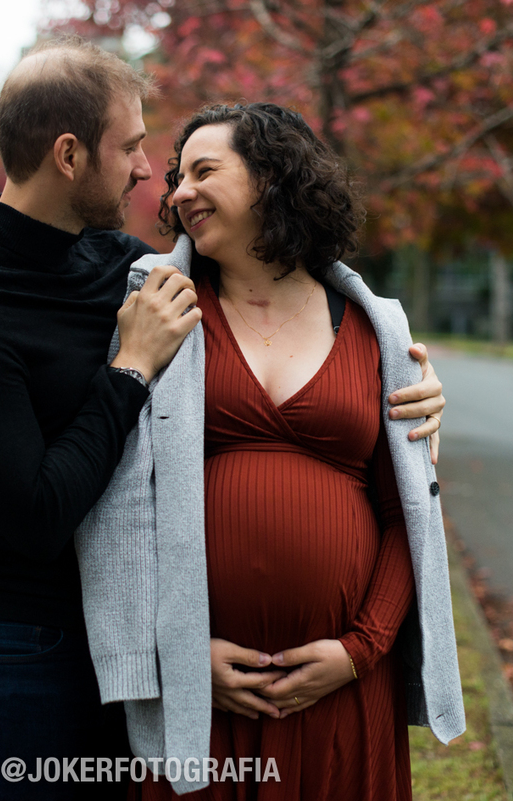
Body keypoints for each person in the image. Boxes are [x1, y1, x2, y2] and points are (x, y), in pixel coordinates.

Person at [0, 37, 446, 801]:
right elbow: (37, 514)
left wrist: (417, 382)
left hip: (124, 642)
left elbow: (292, 306)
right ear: (67, 154)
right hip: (12, 646)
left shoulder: (127, 271)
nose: (148, 173)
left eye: (186, 164)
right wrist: (131, 366)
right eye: (131, 146)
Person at [78, 102, 464, 799]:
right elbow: (122, 504)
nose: (178, 192)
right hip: (206, 693)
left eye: (204, 171)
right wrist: (182, 659)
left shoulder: (377, 328)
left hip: (343, 690)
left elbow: (407, 508)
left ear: (273, 178)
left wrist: (360, 649)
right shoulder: (159, 311)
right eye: (176, 177)